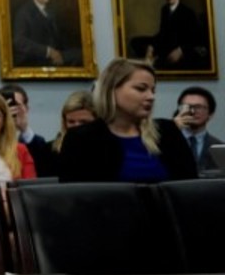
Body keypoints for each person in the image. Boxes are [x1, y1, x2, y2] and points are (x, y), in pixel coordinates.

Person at [59, 58, 197, 183]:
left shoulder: (167, 131)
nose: (151, 97)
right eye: (141, 89)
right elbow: (74, 196)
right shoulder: (81, 139)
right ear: (112, 89)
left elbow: (190, 187)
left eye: (153, 90)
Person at [134, 0, 207, 71]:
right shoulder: (164, 9)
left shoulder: (188, 12)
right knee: (136, 41)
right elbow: (162, 33)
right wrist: (151, 46)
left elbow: (195, 38)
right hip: (166, 43)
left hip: (180, 47)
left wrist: (181, 50)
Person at [12, 0, 81, 67]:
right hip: (34, 60)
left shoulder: (51, 11)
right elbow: (19, 42)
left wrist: (61, 54)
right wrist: (48, 52)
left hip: (55, 57)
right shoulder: (24, 13)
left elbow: (60, 38)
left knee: (80, 54)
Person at [0, 84, 56, 176]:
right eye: (6, 106)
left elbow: (41, 169)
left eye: (16, 105)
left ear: (26, 108)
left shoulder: (37, 143)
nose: (11, 110)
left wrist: (24, 129)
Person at [172, 86, 222, 175]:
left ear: (211, 114)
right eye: (187, 107)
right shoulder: (167, 141)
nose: (192, 111)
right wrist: (172, 129)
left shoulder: (219, 147)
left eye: (198, 107)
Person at [50, 90, 96, 155]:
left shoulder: (107, 150)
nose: (77, 126)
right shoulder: (50, 151)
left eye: (83, 122)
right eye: (71, 122)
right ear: (64, 122)